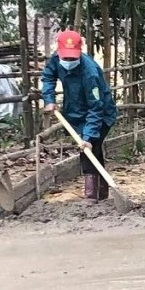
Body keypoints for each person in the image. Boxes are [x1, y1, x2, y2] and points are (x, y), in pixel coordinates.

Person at [41, 30, 119, 201]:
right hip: (75, 112)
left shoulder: (89, 72)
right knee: (94, 150)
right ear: (60, 51)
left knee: (89, 148)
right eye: (66, 58)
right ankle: (101, 193)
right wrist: (49, 98)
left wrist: (88, 136)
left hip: (102, 114)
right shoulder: (56, 59)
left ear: (79, 52)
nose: (68, 61)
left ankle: (91, 195)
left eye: (72, 58)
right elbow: (48, 76)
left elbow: (96, 107)